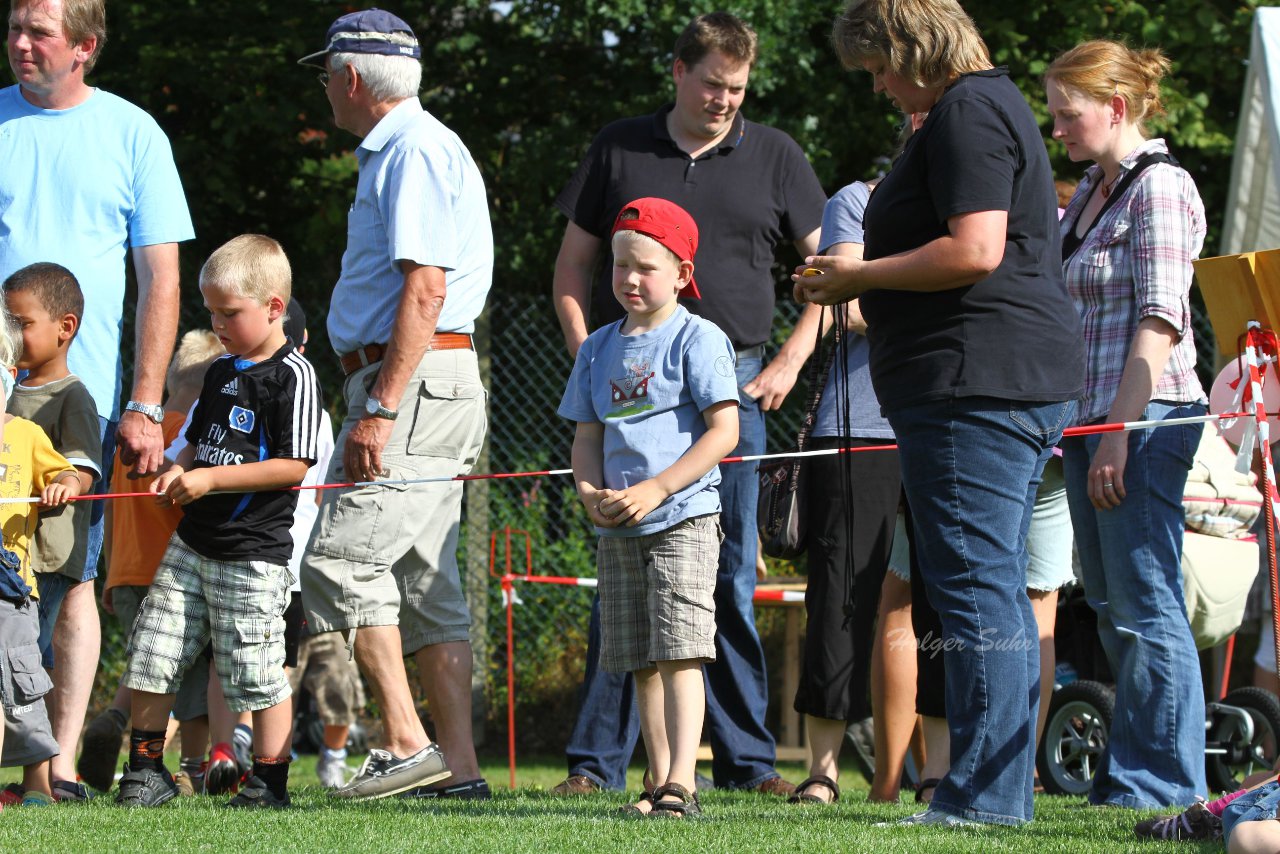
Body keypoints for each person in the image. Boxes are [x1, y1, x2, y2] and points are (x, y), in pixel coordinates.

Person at [796, 0, 1084, 827]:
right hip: (985, 379)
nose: (880, 85)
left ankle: (984, 800)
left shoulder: (967, 110)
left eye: (879, 66)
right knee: (983, 585)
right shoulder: (976, 108)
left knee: (973, 588)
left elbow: (975, 249)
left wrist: (862, 278)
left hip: (976, 383)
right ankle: (988, 791)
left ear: (909, 43)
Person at [551, 10, 826, 797]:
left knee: (729, 574)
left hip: (730, 388)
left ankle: (748, 761)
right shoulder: (620, 146)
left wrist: (790, 355)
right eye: (712, 84)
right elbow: (573, 266)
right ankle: (596, 764)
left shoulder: (775, 154)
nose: (725, 101)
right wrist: (590, 362)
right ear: (678, 71)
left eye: (738, 89)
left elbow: (829, 271)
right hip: (624, 385)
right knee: (626, 579)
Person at [296, 8, 492, 801]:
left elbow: (426, 286)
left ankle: (410, 746)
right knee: (421, 580)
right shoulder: (423, 144)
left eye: (325, 76)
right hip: (433, 379)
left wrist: (378, 406)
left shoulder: (406, 149)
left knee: (339, 562)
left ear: (350, 79)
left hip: (408, 381)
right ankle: (463, 773)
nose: (324, 92)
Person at [1, 0, 194, 798]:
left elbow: (162, 279)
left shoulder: (133, 132)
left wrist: (146, 403)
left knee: (71, 578)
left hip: (82, 402)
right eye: (13, 28)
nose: (18, 43)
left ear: (84, 47)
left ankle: (56, 766)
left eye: (37, 32)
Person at [1047, 39, 1209, 809]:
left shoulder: (1162, 189)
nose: (1058, 130)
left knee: (1145, 604)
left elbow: (1161, 320)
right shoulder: (1091, 191)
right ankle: (1136, 773)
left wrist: (1119, 428)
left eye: (1067, 114)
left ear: (1115, 107)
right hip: (1090, 421)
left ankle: (1165, 782)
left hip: (1147, 418)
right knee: (1113, 606)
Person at [116, 234, 321, 809]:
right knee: (153, 651)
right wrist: (177, 472)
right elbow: (195, 444)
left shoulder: (294, 377)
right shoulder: (218, 371)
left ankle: (269, 780)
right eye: (211, 312)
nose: (219, 323)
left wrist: (209, 481)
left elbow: (292, 465)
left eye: (230, 312)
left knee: (258, 668)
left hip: (253, 553)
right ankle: (146, 771)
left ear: (274, 308)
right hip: (192, 543)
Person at [559, 198, 739, 817]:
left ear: (683, 274)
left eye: (645, 268)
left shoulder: (698, 337)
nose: (629, 280)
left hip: (683, 518)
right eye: (618, 266)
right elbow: (587, 437)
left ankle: (683, 783)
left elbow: (725, 432)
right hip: (619, 530)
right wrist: (589, 496)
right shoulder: (597, 347)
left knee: (681, 649)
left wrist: (659, 488)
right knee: (639, 656)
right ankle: (657, 781)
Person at [789, 181, 902, 806]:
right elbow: (843, 305)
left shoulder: (981, 197)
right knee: (839, 596)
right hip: (858, 424)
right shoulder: (858, 199)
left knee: (939, 600)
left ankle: (934, 768)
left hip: (949, 417)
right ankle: (823, 771)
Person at [77, 329, 225, 795]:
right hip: (177, 578)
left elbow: (116, 509)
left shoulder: (136, 439)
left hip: (125, 574)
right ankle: (192, 768)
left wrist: (111, 576)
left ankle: (114, 719)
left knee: (148, 666)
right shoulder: (191, 438)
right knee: (194, 677)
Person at [0, 262, 99, 801]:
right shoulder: (7, 387)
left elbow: (82, 467)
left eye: (21, 323)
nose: (12, 336)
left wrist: (68, 482)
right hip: (10, 556)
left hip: (45, 559)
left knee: (27, 666)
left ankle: (38, 780)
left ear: (65, 326)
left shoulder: (70, 396)